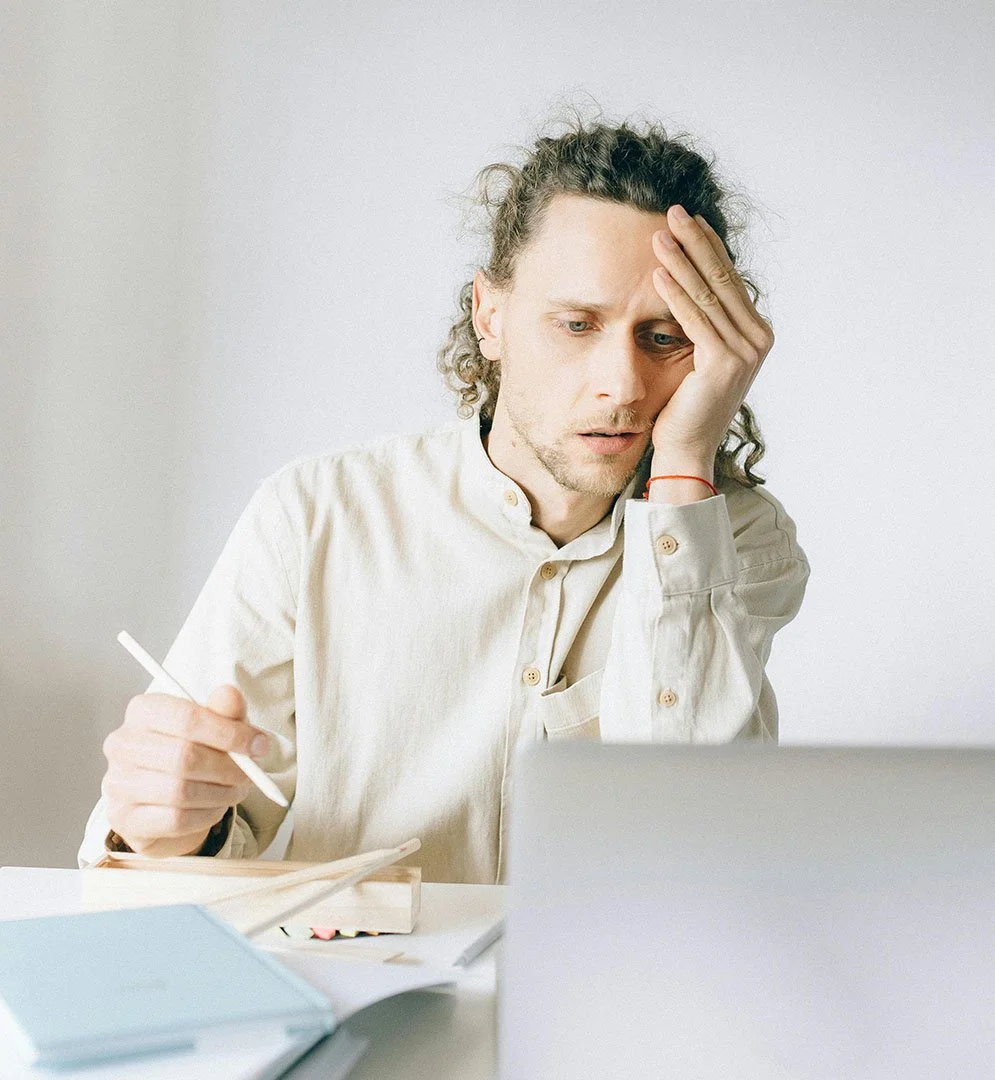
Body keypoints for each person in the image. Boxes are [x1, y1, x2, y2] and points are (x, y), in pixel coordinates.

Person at [79, 113, 810, 883]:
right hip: (360, 980)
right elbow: (161, 848)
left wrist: (687, 459)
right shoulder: (317, 516)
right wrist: (168, 826)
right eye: (575, 323)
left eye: (664, 337)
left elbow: (694, 846)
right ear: (489, 316)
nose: (621, 385)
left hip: (615, 990)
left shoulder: (734, 540)